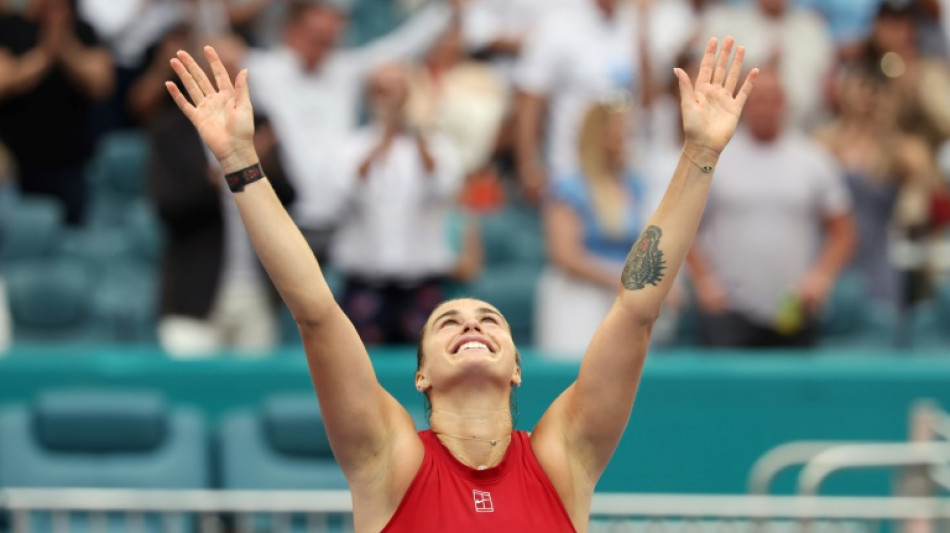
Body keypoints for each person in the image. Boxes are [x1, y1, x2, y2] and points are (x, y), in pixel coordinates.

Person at [165, 36, 757, 531]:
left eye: (489, 320)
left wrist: (701, 152)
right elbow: (316, 310)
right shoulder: (386, 456)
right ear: (420, 373)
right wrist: (241, 159)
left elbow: (636, 308)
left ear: (517, 366)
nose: (471, 323)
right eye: (447, 321)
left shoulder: (561, 456)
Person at [687, 69, 855, 348]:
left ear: (785, 103)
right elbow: (686, 225)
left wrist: (820, 278)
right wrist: (705, 281)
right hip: (730, 307)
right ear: (743, 104)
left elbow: (843, 231)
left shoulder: (814, 160)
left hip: (795, 306)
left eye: (772, 99)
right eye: (757, 99)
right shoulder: (716, 158)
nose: (764, 107)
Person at [330, 62, 465, 345]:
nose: (390, 100)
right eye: (382, 91)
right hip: (364, 281)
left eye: (397, 91)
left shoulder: (436, 146)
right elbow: (344, 192)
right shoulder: (351, 146)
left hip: (420, 282)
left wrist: (415, 131)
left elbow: (442, 187)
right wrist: (384, 138)